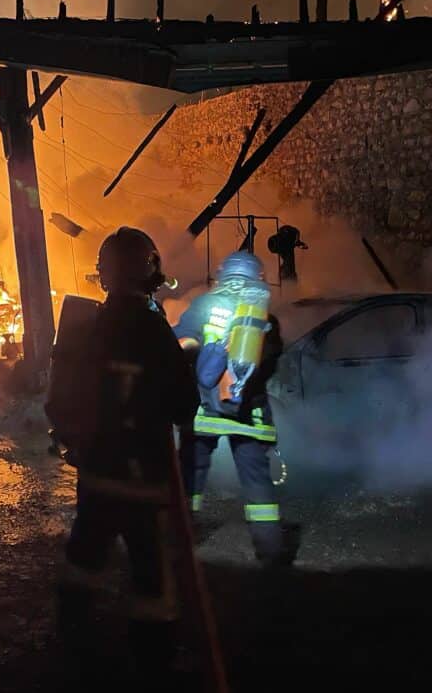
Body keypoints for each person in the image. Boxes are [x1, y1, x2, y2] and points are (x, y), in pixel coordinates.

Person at [57, 227, 198, 679]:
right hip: (142, 480)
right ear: (148, 271)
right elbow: (184, 405)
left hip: (96, 475)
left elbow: (62, 398)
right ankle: (154, 665)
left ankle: (72, 645)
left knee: (83, 559)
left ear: (105, 274)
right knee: (150, 575)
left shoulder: (88, 326)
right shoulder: (154, 330)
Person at [173, 251, 292, 566]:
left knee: (190, 477)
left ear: (223, 273)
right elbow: (270, 364)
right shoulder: (264, 317)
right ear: (257, 277)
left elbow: (181, 343)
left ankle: (180, 543)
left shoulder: (204, 305)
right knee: (257, 484)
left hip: (203, 413)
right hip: (249, 416)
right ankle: (271, 553)